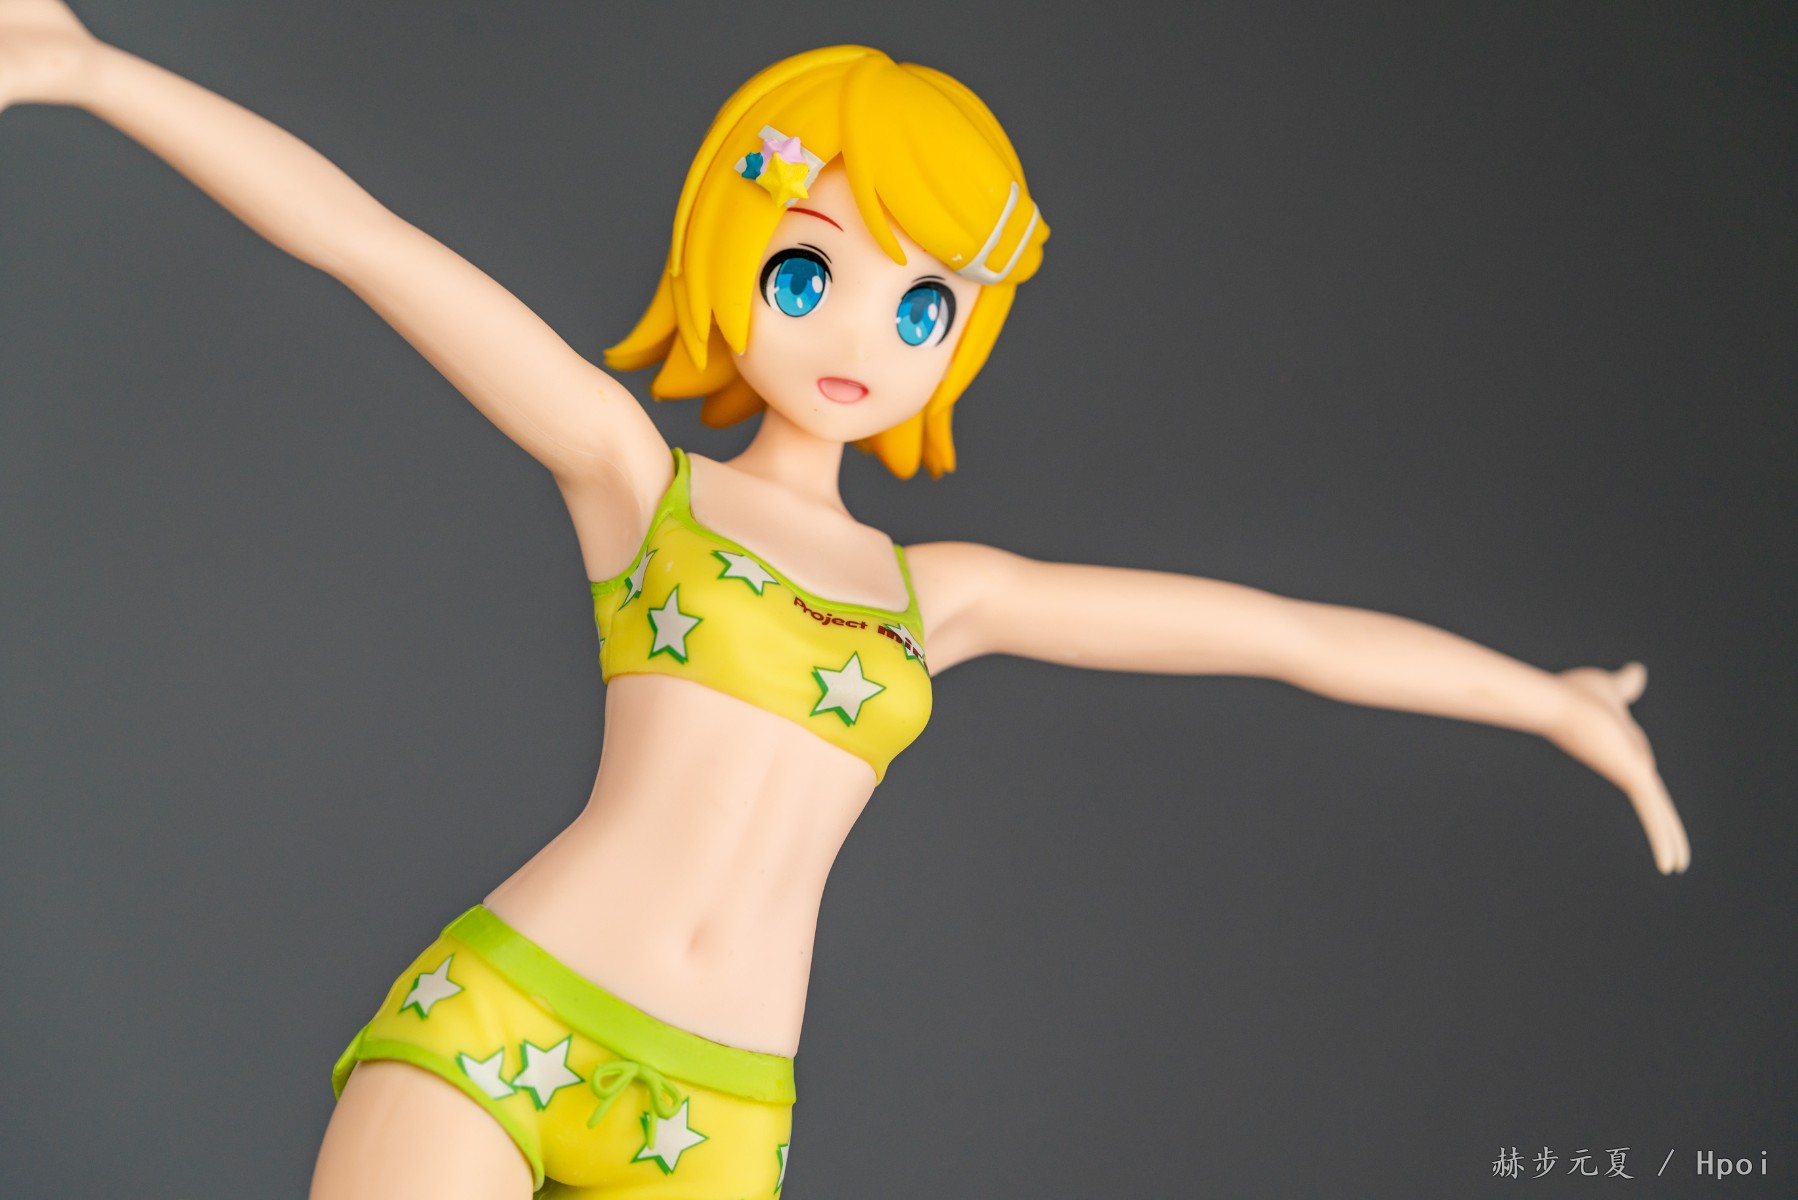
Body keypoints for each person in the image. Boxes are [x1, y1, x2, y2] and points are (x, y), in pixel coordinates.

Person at [0, 6, 1690, 1198]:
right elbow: (370, 244)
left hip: (723, 1110)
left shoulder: (941, 596)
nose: (859, 336)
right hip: (506, 1021)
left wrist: (1546, 701)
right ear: (733, 252)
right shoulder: (635, 482)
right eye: (809, 269)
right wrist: (91, 68)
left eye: (920, 305)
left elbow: (1278, 636)